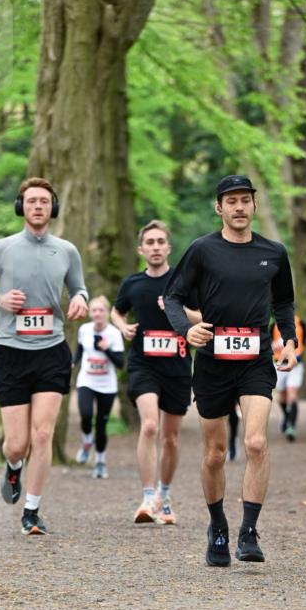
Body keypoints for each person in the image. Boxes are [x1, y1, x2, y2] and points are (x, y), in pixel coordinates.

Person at [164, 174, 297, 566]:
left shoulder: (274, 252)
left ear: (254, 205)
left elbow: (284, 302)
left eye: (245, 200)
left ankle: (249, 531)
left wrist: (289, 340)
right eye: (231, 201)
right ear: (219, 207)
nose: (239, 207)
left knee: (255, 442)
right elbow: (172, 297)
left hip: (255, 358)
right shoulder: (202, 250)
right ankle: (218, 526)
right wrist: (187, 330)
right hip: (213, 361)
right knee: (215, 454)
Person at [0, 177, 88, 535]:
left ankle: (32, 511)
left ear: (53, 208)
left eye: (44, 201)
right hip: (10, 352)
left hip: (51, 350)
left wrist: (80, 298)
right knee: (17, 444)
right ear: (21, 207)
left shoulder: (66, 250)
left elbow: (78, 287)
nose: (38, 206)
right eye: (32, 201)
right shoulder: (2, 248)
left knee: (43, 434)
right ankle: (13, 466)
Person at [111, 221, 192, 525]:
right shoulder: (132, 283)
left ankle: (164, 496)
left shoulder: (183, 282)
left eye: (160, 242)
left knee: (170, 438)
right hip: (143, 363)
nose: (155, 247)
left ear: (168, 248)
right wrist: (122, 326)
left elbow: (203, 316)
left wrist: (176, 309)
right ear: (141, 249)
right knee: (149, 426)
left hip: (177, 366)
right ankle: (148, 497)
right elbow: (116, 311)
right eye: (150, 242)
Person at [72, 295, 124, 479]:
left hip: (107, 385)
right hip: (87, 381)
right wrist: (73, 362)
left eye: (101, 310)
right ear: (90, 313)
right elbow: (80, 350)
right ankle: (87, 442)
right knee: (86, 414)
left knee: (101, 426)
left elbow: (120, 363)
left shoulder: (114, 333)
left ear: (107, 313)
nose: (97, 313)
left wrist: (106, 349)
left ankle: (100, 462)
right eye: (94, 310)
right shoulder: (84, 330)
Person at [271, 315, 306, 441]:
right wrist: (274, 345)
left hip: (296, 365)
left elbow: (304, 340)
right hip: (279, 364)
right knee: (282, 397)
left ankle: (291, 426)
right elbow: (268, 342)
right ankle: (286, 417)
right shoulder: (274, 325)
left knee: (292, 394)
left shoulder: (301, 323)